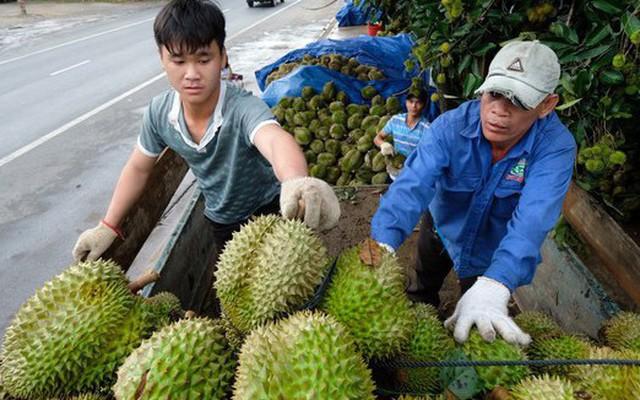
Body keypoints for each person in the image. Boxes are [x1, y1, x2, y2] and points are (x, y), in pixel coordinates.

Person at [73, 0, 340, 264]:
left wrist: (295, 181)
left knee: (288, 277)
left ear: (222, 56)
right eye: (178, 61)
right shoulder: (159, 113)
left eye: (203, 59)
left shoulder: (241, 107)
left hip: (271, 208)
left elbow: (273, 140)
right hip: (220, 220)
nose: (191, 74)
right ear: (162, 58)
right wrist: (108, 225)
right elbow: (138, 168)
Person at [371, 40, 576, 346]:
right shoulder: (449, 129)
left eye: (518, 101)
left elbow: (533, 219)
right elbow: (411, 186)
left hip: (490, 251)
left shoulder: (554, 148)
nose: (498, 111)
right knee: (421, 285)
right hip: (441, 229)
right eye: (494, 94)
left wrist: (497, 282)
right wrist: (382, 243)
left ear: (546, 104)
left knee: (477, 327)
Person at [373, 89, 430, 159]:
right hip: (395, 163)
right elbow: (377, 138)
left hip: (415, 168)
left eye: (418, 103)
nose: (413, 106)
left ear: (424, 105)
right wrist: (383, 144)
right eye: (411, 101)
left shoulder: (427, 128)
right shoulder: (396, 120)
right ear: (406, 102)